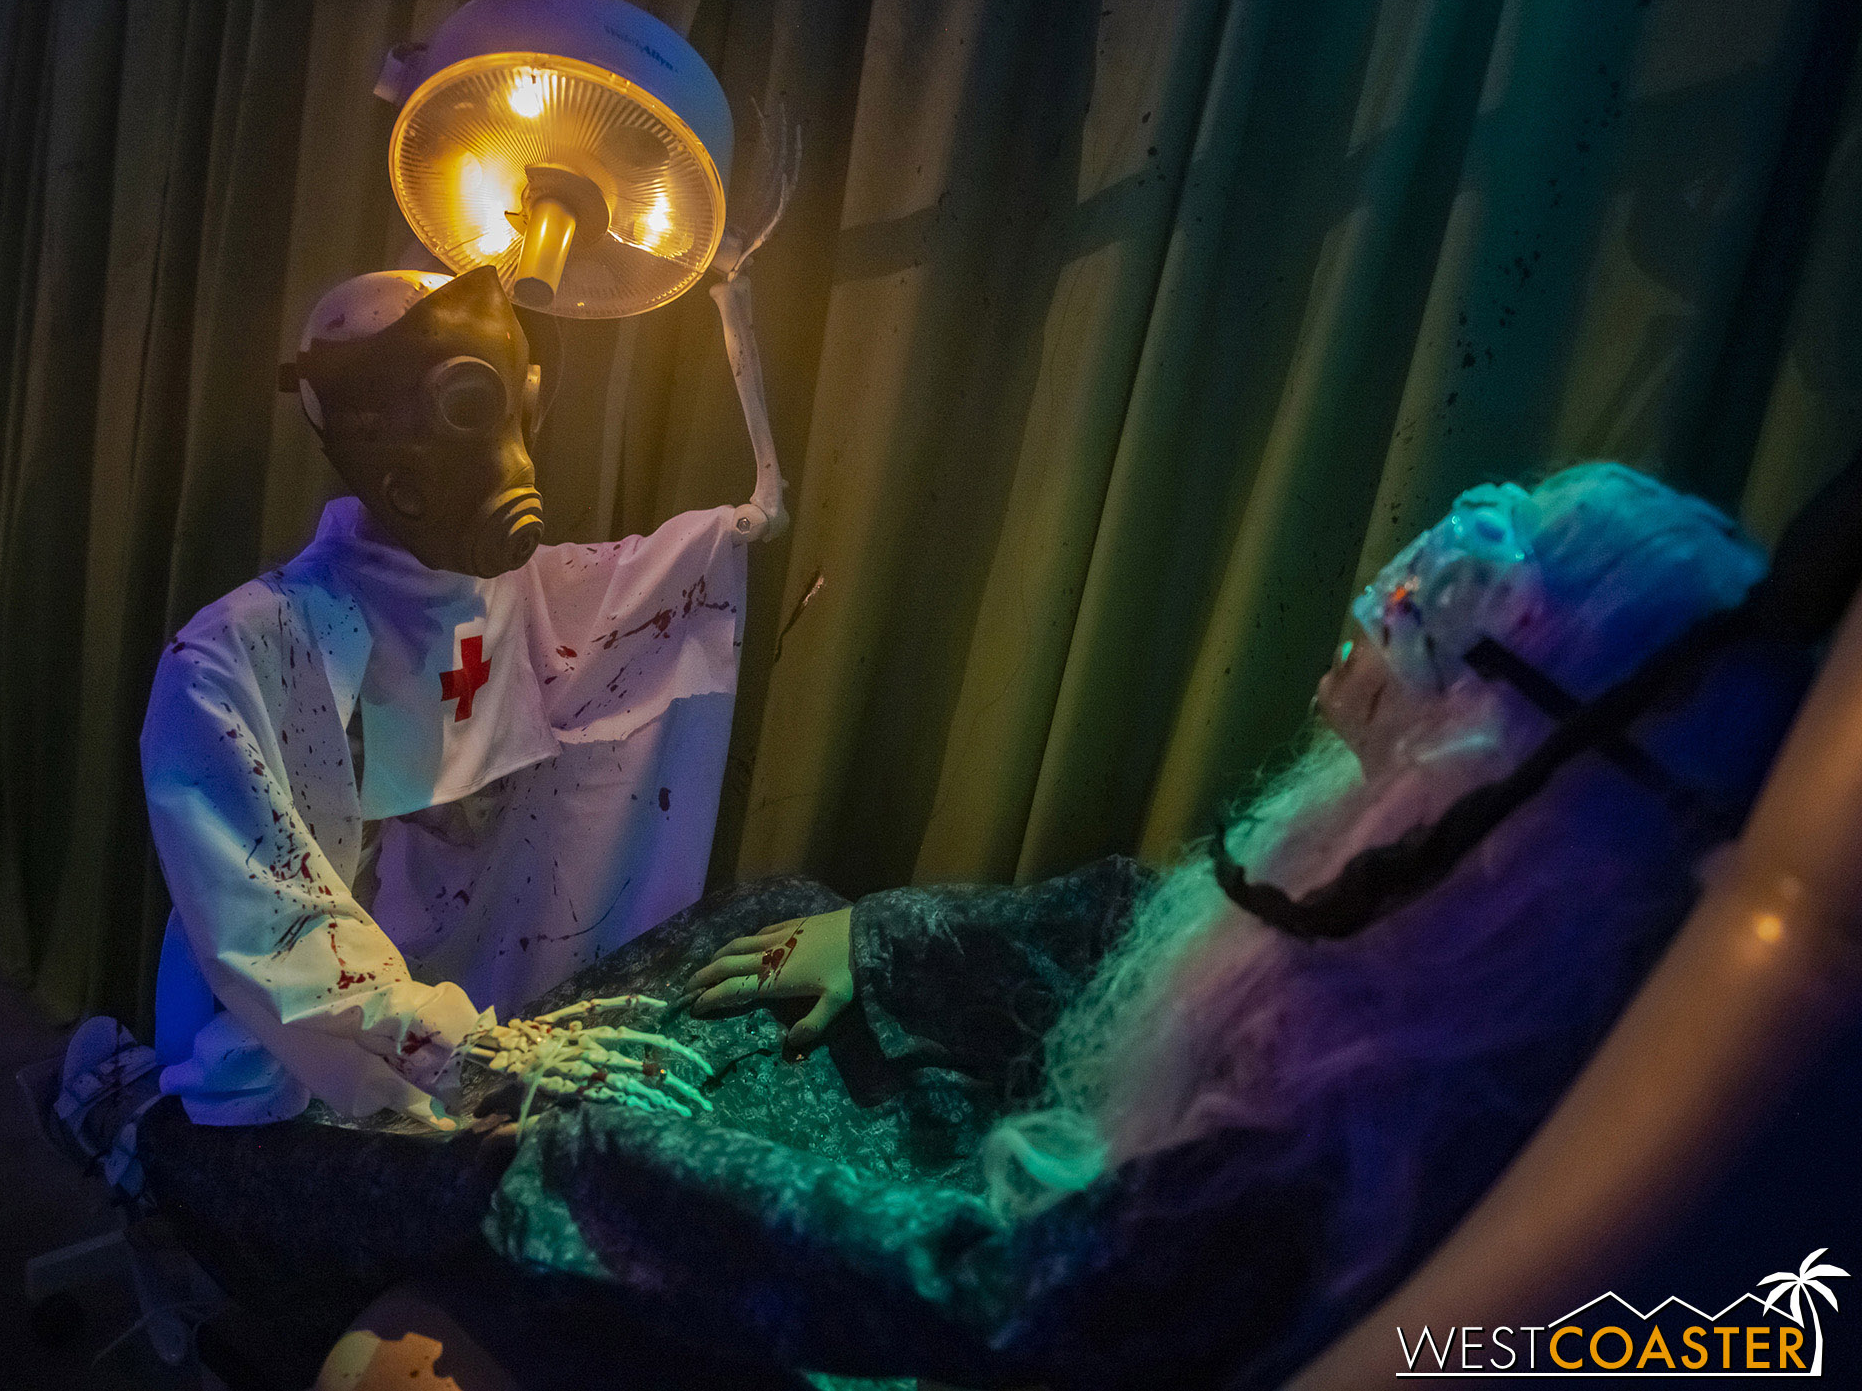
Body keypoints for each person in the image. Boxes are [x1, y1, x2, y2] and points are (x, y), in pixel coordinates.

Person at [104, 462, 1812, 1390]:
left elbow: (1005, 1296)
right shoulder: (1410, 927)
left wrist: (613, 1158)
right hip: (995, 1172)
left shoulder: (1360, 1119)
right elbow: (1132, 916)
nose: (1378, 601)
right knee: (782, 925)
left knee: (516, 1126)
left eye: (1430, 603)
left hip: (942, 1268)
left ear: (1498, 736)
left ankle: (146, 1136)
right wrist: (894, 944)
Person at [136, 265, 748, 1130]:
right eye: (463, 405)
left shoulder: (515, 597)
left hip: (462, 1007)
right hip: (288, 1049)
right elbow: (267, 915)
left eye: (506, 404)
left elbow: (642, 591)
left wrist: (738, 518)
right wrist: (463, 1047)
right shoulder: (231, 657)